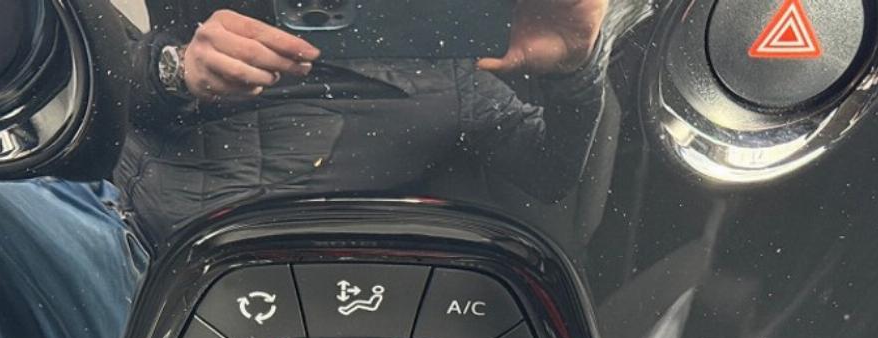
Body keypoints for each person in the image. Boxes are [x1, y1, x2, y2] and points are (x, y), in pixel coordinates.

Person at [116, 0, 623, 245]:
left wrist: (575, 67)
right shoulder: (219, 18)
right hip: (123, 228)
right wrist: (176, 68)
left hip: (262, 274)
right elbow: (109, 89)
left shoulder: (455, 78)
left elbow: (550, 172)